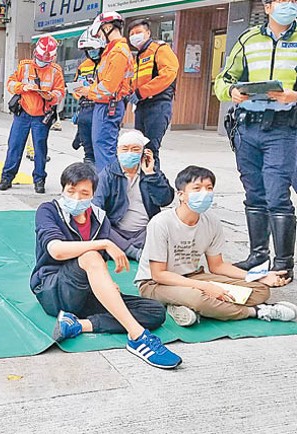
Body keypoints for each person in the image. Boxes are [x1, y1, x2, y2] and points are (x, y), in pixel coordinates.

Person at [32, 162, 181, 369]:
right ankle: (137, 337)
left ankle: (77, 325)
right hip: (53, 290)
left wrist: (107, 283)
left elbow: (98, 264)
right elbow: (56, 250)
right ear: (63, 189)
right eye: (71, 191)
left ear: (93, 194)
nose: (76, 198)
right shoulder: (49, 210)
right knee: (91, 255)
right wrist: (105, 243)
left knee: (154, 311)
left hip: (84, 294)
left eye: (84, 193)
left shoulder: (100, 219)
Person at [136, 165, 296, 327]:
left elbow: (217, 266)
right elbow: (159, 275)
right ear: (181, 195)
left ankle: (181, 306)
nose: (204, 193)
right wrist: (205, 287)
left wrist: (260, 276)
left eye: (209, 188)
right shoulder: (161, 223)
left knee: (261, 290)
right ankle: (257, 311)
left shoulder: (211, 221)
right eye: (197, 188)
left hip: (193, 276)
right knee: (198, 297)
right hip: (155, 284)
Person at [214, 0, 297, 279]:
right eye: (283, 1)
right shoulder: (248, 38)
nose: (290, 5)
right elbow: (223, 80)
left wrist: (292, 95)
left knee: (276, 193)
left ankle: (283, 263)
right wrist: (232, 92)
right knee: (254, 194)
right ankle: (257, 256)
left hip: (283, 129)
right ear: (268, 6)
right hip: (247, 128)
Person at [0, 35, 65, 194]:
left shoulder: (56, 71)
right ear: (35, 53)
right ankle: (7, 177)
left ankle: (39, 179)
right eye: (40, 59)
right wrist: (23, 87)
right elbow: (10, 83)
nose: (41, 62)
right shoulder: (24, 66)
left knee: (40, 149)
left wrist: (51, 96)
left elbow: (60, 92)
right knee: (15, 145)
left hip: (42, 115)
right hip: (23, 113)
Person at [93, 130, 174, 261]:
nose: (129, 153)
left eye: (135, 149)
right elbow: (96, 206)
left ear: (144, 152)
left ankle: (126, 249)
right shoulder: (108, 175)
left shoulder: (152, 173)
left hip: (145, 231)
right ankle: (133, 251)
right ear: (117, 151)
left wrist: (151, 175)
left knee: (165, 227)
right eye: (124, 149)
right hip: (116, 231)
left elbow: (165, 200)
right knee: (99, 225)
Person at [73, 12, 134, 173]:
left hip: (108, 106)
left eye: (99, 32)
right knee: (101, 149)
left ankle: (108, 192)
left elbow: (108, 87)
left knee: (104, 150)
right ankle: (106, 189)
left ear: (107, 28)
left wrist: (88, 90)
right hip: (105, 105)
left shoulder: (118, 52)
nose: (99, 36)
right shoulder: (111, 51)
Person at [127, 19, 179, 169]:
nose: (135, 36)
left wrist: (141, 92)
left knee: (150, 149)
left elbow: (168, 74)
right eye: (132, 34)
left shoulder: (159, 49)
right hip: (142, 106)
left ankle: (152, 184)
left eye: (138, 32)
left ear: (148, 33)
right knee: (140, 147)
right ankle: (142, 183)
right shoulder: (139, 56)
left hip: (158, 105)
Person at [72, 27, 103, 166]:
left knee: (101, 141)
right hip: (85, 106)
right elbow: (75, 86)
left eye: (93, 48)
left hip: (102, 105)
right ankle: (89, 161)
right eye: (88, 49)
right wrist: (79, 92)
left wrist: (91, 90)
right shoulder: (84, 66)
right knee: (84, 127)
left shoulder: (108, 63)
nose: (91, 52)